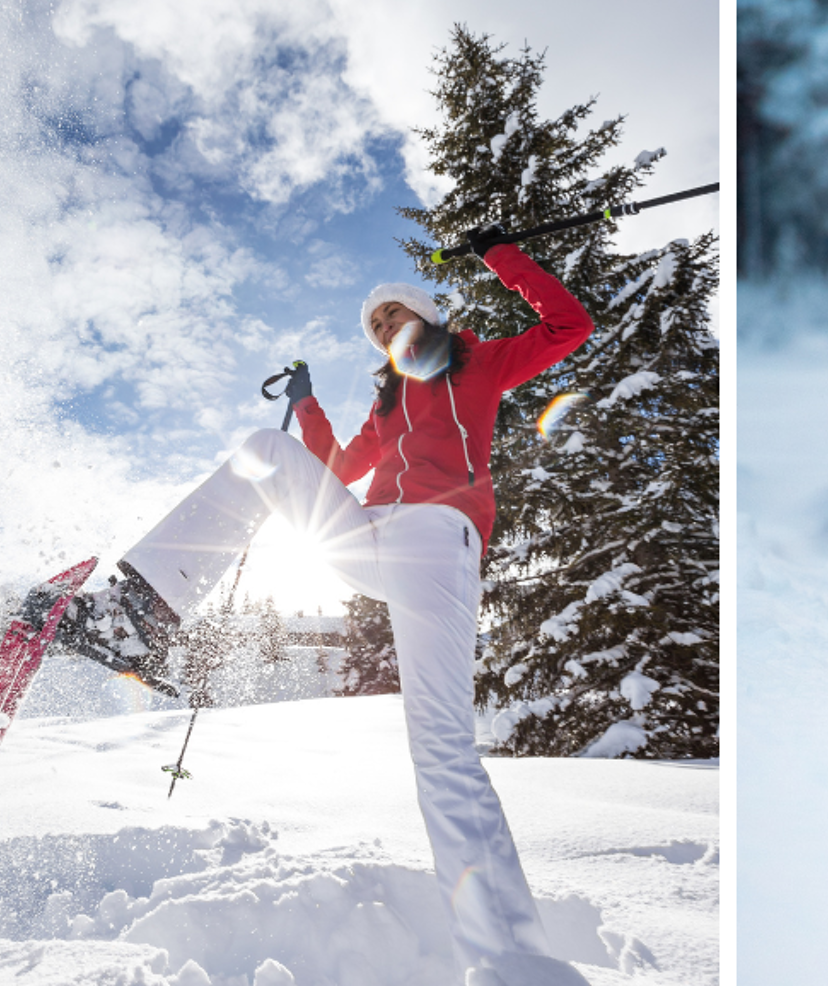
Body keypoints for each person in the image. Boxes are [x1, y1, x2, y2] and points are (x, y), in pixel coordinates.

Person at [53, 226, 595, 986]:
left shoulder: (477, 364)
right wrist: (306, 405)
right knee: (267, 452)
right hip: (370, 536)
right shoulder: (388, 406)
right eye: (374, 324)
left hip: (438, 543)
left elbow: (570, 326)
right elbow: (336, 467)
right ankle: (139, 617)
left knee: (441, 754)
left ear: (428, 316)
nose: (385, 326)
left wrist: (500, 256)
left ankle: (511, 960)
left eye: (394, 313)